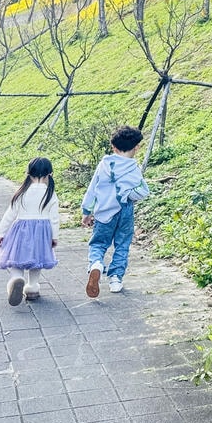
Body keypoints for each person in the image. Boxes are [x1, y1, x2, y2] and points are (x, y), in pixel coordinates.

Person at [81, 125, 150, 297]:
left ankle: (96, 264)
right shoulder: (133, 168)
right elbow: (144, 191)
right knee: (122, 245)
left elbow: (92, 189)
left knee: (98, 243)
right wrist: (127, 195)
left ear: (113, 147)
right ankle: (115, 279)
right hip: (125, 212)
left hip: (103, 211)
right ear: (136, 147)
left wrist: (87, 211)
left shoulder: (104, 164)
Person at [0, 157, 60, 306]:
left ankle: (16, 279)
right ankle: (32, 288)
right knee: (37, 260)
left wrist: (1, 233)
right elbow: (54, 218)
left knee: (16, 258)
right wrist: (54, 236)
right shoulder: (50, 193)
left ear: (29, 174)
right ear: (50, 174)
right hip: (42, 233)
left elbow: (10, 214)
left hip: (20, 229)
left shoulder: (22, 192)